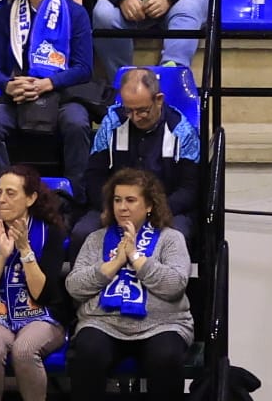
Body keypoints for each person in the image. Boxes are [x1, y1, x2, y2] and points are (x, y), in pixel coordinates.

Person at [64, 169, 194, 401]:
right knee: (88, 353)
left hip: (162, 324)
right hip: (104, 322)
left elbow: (175, 285)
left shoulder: (170, 238)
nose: (122, 207)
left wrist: (136, 257)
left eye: (130, 200)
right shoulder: (96, 238)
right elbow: (74, 286)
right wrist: (114, 264)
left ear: (149, 206)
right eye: (117, 200)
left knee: (165, 357)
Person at [0, 0, 96, 194]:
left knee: (77, 123)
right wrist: (8, 85)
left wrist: (49, 83)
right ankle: (6, 191)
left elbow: (84, 68)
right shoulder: (4, 15)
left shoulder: (75, 14)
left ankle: (74, 194)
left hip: (61, 93)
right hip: (18, 95)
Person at [0, 165, 69, 401]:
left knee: (24, 351)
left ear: (31, 198)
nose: (2, 200)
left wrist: (25, 250)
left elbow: (43, 294)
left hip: (41, 314)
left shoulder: (50, 234)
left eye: (11, 193)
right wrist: (2, 257)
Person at [76, 68, 202, 244]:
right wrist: (111, 207)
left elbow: (189, 188)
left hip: (165, 208)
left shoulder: (182, 131)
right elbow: (94, 175)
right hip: (116, 206)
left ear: (159, 100)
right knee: (82, 234)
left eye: (142, 111)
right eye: (129, 110)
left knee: (176, 238)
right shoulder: (111, 123)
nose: (135, 118)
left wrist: (151, 212)